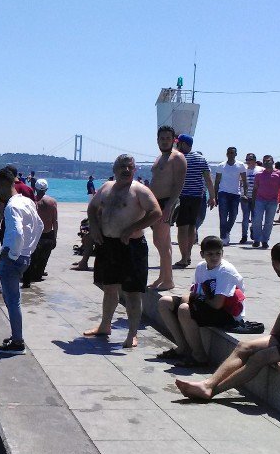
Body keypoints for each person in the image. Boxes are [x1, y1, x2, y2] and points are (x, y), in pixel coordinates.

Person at [175, 241, 280, 400]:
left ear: (276, 263)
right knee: (244, 346)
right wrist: (273, 338)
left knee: (259, 357)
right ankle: (209, 383)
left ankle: (212, 390)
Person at [84, 154, 163, 347]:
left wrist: (132, 228)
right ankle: (105, 325)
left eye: (129, 167)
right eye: (122, 166)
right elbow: (92, 209)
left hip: (132, 247)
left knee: (132, 292)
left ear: (135, 170)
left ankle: (132, 334)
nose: (126, 170)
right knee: (109, 288)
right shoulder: (106, 188)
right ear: (114, 169)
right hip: (108, 245)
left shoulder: (139, 190)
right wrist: (94, 227)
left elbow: (156, 212)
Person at [156, 236, 245, 367]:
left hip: (227, 313)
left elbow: (217, 304)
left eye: (218, 254)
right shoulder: (201, 267)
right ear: (202, 254)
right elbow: (195, 291)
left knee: (184, 310)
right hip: (208, 304)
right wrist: (189, 300)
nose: (214, 257)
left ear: (222, 253)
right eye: (210, 254)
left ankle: (200, 356)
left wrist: (192, 301)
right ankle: (182, 347)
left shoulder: (225, 271)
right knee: (164, 302)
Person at [0, 168, 43, 354]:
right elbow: (40, 226)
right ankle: (15, 336)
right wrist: (29, 250)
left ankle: (18, 342)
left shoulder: (11, 206)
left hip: (13, 259)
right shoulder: (27, 201)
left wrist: (12, 254)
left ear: (0, 186)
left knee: (12, 300)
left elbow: (17, 233)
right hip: (25, 257)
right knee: (13, 299)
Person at [148, 125, 187, 290]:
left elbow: (179, 184)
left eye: (167, 138)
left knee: (160, 242)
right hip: (156, 203)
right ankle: (163, 277)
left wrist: (169, 207)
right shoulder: (160, 157)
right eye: (161, 138)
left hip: (166, 203)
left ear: (173, 140)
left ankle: (169, 280)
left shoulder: (177, 157)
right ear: (157, 140)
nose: (164, 141)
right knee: (163, 242)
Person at [174, 134, 216, 268]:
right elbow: (208, 179)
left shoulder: (178, 157)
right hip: (198, 197)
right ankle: (188, 255)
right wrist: (212, 197)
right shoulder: (201, 158)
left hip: (182, 197)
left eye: (178, 143)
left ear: (183, 144)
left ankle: (183, 258)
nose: (176, 145)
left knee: (182, 227)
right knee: (192, 227)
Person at [23, 179, 58, 288]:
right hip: (48, 233)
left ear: (35, 188)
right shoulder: (52, 202)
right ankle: (38, 273)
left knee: (32, 257)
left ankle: (33, 273)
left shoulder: (32, 201)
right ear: (46, 189)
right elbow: (55, 221)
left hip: (35, 234)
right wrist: (55, 236)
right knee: (44, 258)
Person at [251, 155, 280, 249]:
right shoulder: (259, 174)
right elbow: (255, 189)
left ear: (273, 162)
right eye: (264, 161)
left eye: (268, 161)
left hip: (272, 201)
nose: (266, 163)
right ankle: (257, 239)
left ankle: (265, 240)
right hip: (260, 200)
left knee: (269, 221)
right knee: (257, 220)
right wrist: (253, 201)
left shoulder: (279, 174)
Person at [214, 146, 248, 245]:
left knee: (233, 215)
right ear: (226, 154)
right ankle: (223, 237)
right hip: (223, 193)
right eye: (229, 152)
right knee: (223, 217)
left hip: (235, 194)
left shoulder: (240, 165)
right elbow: (217, 182)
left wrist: (244, 194)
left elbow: (244, 181)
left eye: (232, 153)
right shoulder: (221, 165)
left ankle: (227, 231)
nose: (231, 154)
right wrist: (215, 196)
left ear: (236, 154)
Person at [239, 153, 262, 244]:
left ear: (255, 160)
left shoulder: (260, 170)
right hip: (245, 197)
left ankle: (253, 230)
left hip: (256, 198)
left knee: (255, 217)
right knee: (245, 217)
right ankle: (244, 236)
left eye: (251, 159)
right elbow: (240, 183)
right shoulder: (243, 170)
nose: (249, 161)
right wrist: (242, 194)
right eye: (247, 159)